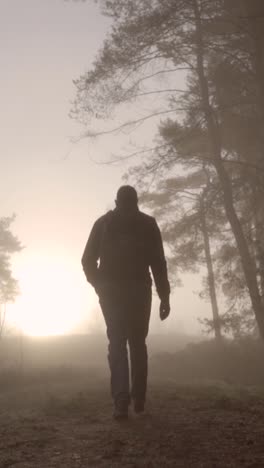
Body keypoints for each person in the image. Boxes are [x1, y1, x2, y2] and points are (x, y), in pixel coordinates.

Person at [81, 185, 170, 420]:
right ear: (137, 201)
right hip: (140, 290)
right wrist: (165, 297)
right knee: (137, 343)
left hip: (111, 292)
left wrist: (99, 285)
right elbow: (159, 264)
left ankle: (121, 400)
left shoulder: (103, 223)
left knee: (117, 342)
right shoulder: (148, 224)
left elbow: (87, 260)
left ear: (116, 201)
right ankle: (138, 397)